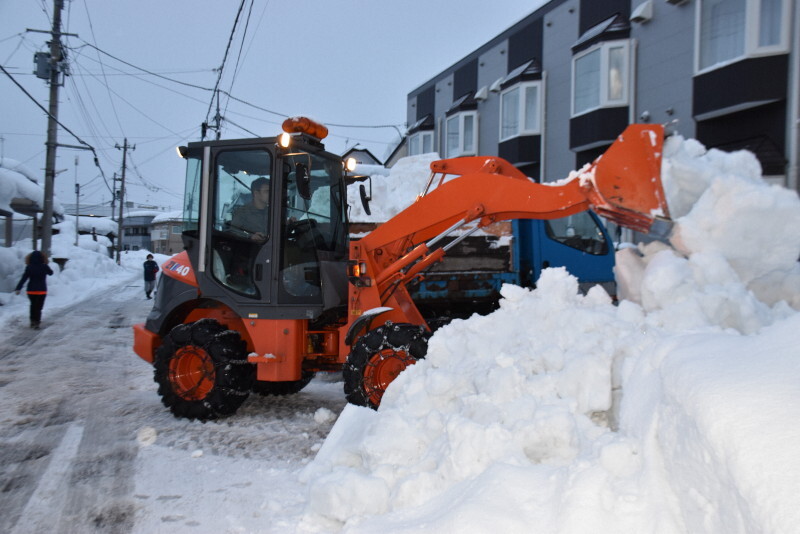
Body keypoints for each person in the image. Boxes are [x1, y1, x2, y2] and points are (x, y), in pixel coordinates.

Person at [14, 250, 54, 329]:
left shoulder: (29, 267)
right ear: (42, 258)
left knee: (33, 305)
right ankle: (37, 322)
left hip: (31, 290)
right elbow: (51, 273)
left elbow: (24, 278)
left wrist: (18, 288)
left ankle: (32, 321)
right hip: (42, 290)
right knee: (39, 307)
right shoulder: (44, 266)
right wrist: (46, 266)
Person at [230, 176, 270, 242]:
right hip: (250, 249)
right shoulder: (242, 212)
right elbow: (233, 232)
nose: (270, 194)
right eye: (267, 191)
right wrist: (250, 236)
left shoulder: (272, 212)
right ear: (256, 193)